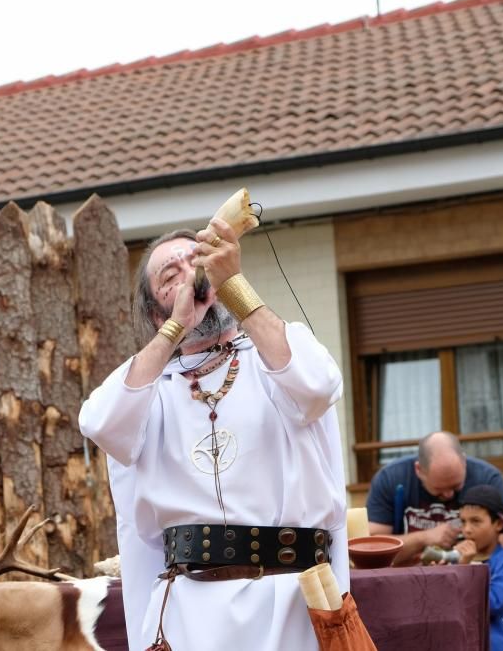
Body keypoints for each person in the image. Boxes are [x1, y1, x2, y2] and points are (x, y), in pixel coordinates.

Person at [79, 218, 349, 650]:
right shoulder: (149, 386)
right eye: (172, 275)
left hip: (289, 602)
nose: (192, 274)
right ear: (155, 312)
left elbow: (317, 387)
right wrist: (176, 329)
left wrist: (235, 287)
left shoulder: (277, 352)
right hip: (189, 612)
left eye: (199, 261)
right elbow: (100, 424)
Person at [366, 431, 503, 565]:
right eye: (439, 489)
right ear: (419, 470)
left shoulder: (488, 479)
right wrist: (424, 538)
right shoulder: (390, 479)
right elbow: (373, 550)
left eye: (456, 486)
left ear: (464, 462)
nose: (449, 494)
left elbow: (501, 545)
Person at [452, 484, 503, 651]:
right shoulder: (454, 562)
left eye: (476, 521)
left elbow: (491, 604)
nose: (467, 530)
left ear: (499, 524)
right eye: (463, 522)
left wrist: (463, 570)